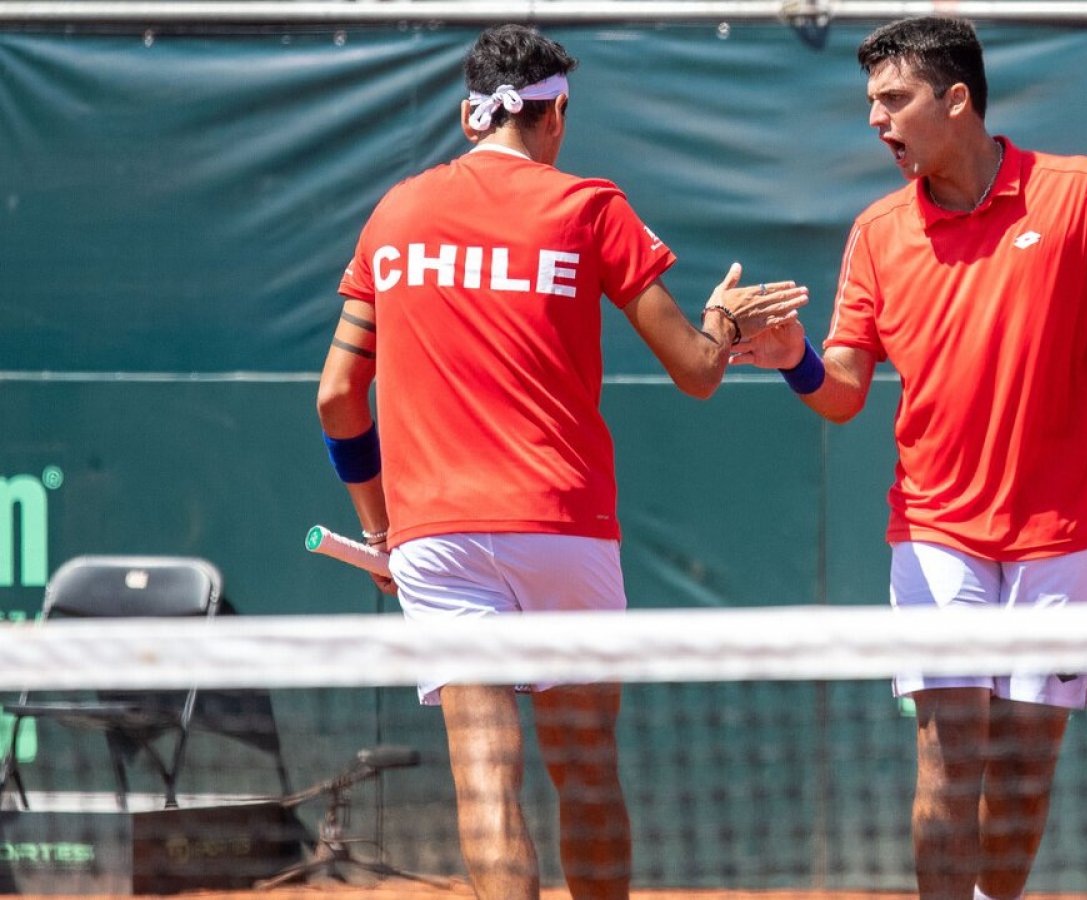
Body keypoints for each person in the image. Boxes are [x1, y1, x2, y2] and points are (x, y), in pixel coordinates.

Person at [315, 24, 806, 900]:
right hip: (564, 528)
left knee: (484, 778)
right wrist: (725, 324)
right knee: (585, 776)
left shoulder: (394, 214)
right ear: (557, 116)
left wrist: (378, 529)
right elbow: (697, 371)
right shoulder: (589, 207)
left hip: (438, 539)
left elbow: (337, 398)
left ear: (472, 113)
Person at [735, 15, 1087, 900]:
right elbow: (843, 391)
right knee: (949, 758)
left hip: (1065, 534)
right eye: (869, 102)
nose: (877, 119)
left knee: (1023, 774)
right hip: (936, 531)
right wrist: (794, 357)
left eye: (894, 99)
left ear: (956, 99)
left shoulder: (1077, 191)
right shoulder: (876, 232)